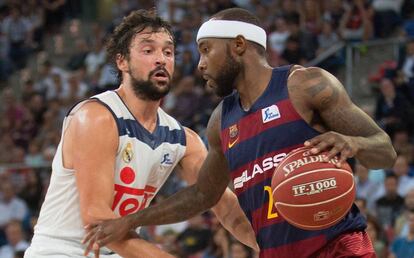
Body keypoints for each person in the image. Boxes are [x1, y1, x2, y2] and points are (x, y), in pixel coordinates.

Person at [83, 8, 397, 258]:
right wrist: (131, 220)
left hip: (338, 247)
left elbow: (384, 150)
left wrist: (352, 142)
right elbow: (203, 194)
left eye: (207, 51)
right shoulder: (221, 121)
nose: (201, 64)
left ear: (238, 45)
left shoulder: (306, 85)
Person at [24, 9, 257, 258]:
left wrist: (277, 246)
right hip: (60, 251)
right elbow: (98, 222)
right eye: (148, 50)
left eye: (168, 52)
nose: (161, 59)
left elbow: (227, 208)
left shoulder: (182, 139)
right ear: (121, 61)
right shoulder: (96, 117)